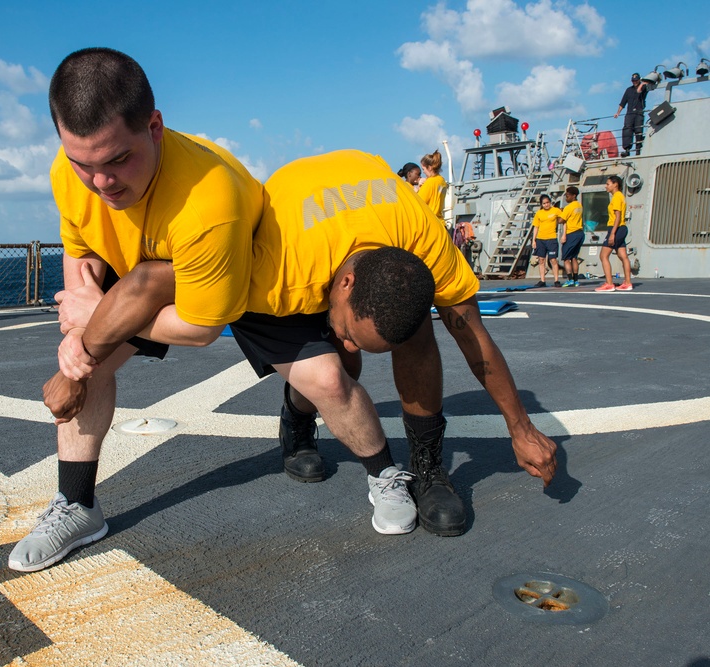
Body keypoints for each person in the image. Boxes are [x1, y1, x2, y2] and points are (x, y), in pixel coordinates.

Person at [50, 150, 558, 541]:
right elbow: (152, 281)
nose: (340, 336)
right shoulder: (271, 269)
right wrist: (86, 349)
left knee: (411, 335)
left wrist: (523, 428)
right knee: (335, 365)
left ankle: (427, 468)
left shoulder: (424, 245)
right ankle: (296, 421)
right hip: (291, 244)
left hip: (361, 239)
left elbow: (473, 336)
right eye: (345, 326)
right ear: (342, 288)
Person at [7, 48, 264, 573]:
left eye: (118, 159)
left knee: (322, 376)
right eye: (84, 163)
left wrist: (98, 314)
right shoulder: (69, 169)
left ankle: (300, 416)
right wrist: (79, 338)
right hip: (147, 262)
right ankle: (77, 506)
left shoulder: (207, 202)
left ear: (154, 126)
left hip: (240, 274)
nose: (101, 183)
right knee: (93, 352)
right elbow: (79, 253)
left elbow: (199, 327)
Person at [595, 175, 633, 292]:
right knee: (623, 255)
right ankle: (627, 283)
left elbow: (617, 216)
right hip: (622, 228)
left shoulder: (616, 197)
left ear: (615, 184)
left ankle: (609, 283)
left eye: (608, 184)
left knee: (603, 255)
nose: (606, 186)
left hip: (616, 228)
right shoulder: (621, 196)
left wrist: (612, 234)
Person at [529, 194, 562, 288]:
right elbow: (536, 227)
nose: (546, 205)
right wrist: (534, 240)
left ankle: (556, 280)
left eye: (547, 202)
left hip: (551, 238)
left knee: (553, 260)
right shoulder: (539, 213)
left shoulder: (555, 210)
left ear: (550, 202)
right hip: (540, 239)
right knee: (541, 260)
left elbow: (563, 219)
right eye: (544, 203)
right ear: (541, 204)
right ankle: (542, 280)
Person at [613, 73, 647, 157]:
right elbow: (622, 103)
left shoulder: (644, 88)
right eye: (633, 80)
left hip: (639, 113)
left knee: (638, 132)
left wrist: (642, 83)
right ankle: (627, 150)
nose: (634, 82)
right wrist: (618, 113)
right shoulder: (628, 90)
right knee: (627, 130)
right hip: (630, 113)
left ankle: (638, 151)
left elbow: (639, 91)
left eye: (636, 80)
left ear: (639, 80)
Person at [558, 186, 584, 287]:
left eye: (568, 196)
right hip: (580, 233)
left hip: (571, 233)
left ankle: (570, 279)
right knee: (574, 257)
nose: (566, 198)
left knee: (566, 258)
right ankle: (576, 279)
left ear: (574, 196)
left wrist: (559, 213)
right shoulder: (579, 205)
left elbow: (561, 221)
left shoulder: (569, 207)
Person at [417, 150, 448, 225]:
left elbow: (418, 203)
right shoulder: (441, 180)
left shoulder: (430, 182)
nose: (423, 172)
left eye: (423, 169)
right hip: (441, 222)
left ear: (430, 168)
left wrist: (419, 187)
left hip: (431, 223)